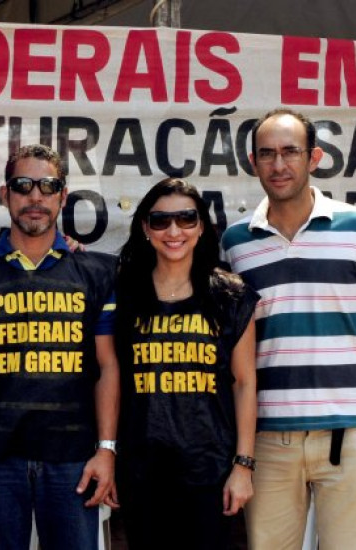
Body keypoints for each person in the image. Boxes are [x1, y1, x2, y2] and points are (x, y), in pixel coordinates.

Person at [0, 144, 120, 550]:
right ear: (5, 195)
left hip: (74, 457)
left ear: (63, 196)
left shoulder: (98, 271)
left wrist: (107, 450)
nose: (35, 197)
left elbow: (107, 366)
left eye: (47, 186)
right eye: (23, 186)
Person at [221, 108, 356, 550]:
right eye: (267, 154)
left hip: (350, 434)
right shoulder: (235, 242)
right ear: (252, 161)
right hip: (268, 440)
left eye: (290, 152)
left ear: (314, 157)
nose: (279, 165)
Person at [115, 178, 258, 550]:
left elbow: (244, 383)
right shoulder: (122, 293)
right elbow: (109, 377)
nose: (174, 231)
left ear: (201, 228)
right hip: (140, 469)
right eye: (161, 221)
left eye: (186, 219)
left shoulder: (230, 295)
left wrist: (243, 465)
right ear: (145, 228)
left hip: (210, 468)